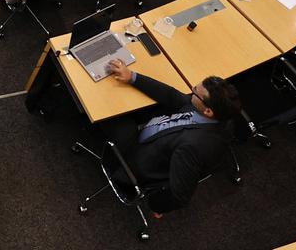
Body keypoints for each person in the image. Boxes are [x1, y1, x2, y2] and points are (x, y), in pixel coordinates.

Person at [99, 59, 245, 214]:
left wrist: (156, 206)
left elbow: (181, 196)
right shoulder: (219, 114)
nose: (192, 89)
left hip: (138, 161)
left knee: (111, 113)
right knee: (127, 102)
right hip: (161, 134)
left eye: (195, 92)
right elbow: (173, 97)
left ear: (208, 111)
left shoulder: (192, 148)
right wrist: (132, 77)